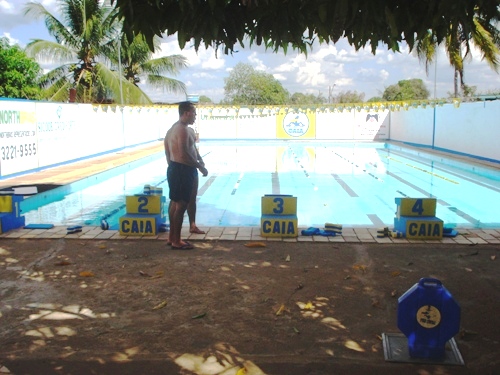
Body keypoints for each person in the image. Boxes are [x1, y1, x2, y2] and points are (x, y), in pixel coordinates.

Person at [164, 101, 208, 249]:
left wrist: (173, 167)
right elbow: (183, 154)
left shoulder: (173, 129)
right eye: (194, 113)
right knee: (181, 204)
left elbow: (169, 153)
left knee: (175, 203)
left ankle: (172, 237)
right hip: (182, 169)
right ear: (187, 113)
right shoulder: (181, 130)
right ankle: (177, 241)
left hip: (177, 168)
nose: (195, 116)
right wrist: (200, 167)